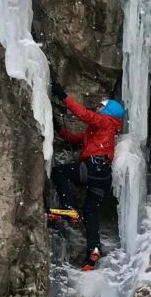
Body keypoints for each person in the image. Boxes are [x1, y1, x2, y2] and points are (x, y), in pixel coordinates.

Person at [50, 80, 125, 271]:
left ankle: (67, 207)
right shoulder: (99, 131)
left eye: (101, 106)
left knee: (59, 172)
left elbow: (83, 114)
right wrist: (58, 128)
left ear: (109, 111)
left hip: (94, 167)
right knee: (90, 212)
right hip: (103, 176)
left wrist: (62, 95)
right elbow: (75, 141)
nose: (97, 107)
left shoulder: (106, 122)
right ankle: (94, 251)